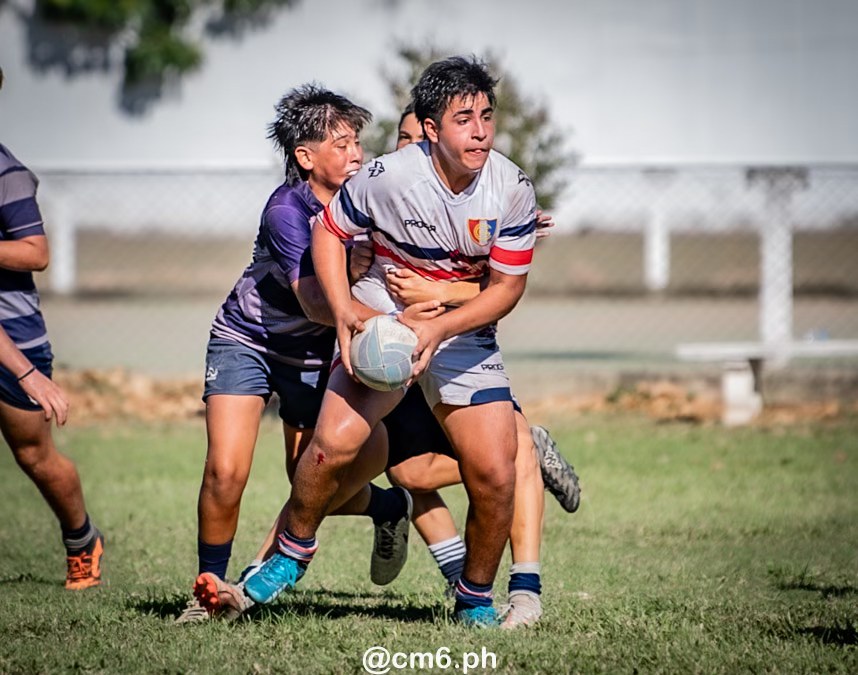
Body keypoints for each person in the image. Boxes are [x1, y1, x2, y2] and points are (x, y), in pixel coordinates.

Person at [241, 55, 540, 627]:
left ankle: (475, 598)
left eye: (486, 116)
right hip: (385, 315)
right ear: (431, 130)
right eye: (463, 119)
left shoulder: (511, 188)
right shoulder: (388, 177)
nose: (480, 131)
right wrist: (350, 313)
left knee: (496, 472)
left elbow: (506, 288)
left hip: (459, 332)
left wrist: (437, 327)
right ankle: (292, 553)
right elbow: (328, 234)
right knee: (330, 442)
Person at [177, 84, 416, 623]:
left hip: (315, 356)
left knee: (309, 483)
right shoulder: (289, 209)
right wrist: (390, 323)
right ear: (306, 157)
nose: (356, 154)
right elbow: (313, 301)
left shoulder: (374, 202)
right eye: (341, 144)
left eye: (358, 142)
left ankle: (385, 505)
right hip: (248, 339)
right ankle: (207, 593)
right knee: (225, 470)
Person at [0, 67, 104, 590]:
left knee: (34, 456)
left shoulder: (7, 175)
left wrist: (25, 374)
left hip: (14, 339)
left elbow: (36, 252)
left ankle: (81, 538)